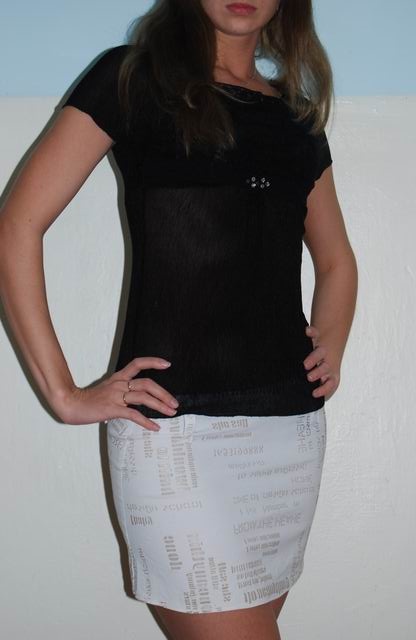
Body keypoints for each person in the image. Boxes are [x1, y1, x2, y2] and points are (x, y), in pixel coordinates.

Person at [0, 1, 358, 638]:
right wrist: (64, 394)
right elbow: (15, 228)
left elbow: (336, 262)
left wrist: (330, 345)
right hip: (174, 434)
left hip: (289, 434)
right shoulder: (133, 80)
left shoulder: (295, 117)